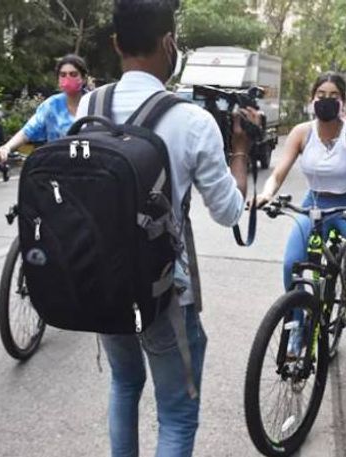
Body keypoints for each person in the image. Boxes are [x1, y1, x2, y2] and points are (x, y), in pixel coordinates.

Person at [75, 1, 255, 455]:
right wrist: (239, 152)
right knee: (176, 412)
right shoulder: (192, 121)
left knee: (124, 383)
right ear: (169, 43)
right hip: (164, 293)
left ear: (116, 43)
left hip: (102, 281)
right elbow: (229, 212)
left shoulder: (88, 108)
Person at [254, 72, 346, 313]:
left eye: (333, 96)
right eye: (321, 95)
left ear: (343, 102)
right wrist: (265, 194)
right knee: (290, 265)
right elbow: (277, 174)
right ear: (312, 99)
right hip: (314, 205)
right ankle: (297, 324)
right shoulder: (302, 133)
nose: (326, 100)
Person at [0, 54, 90, 181]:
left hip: (91, 172)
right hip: (58, 174)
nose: (67, 78)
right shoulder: (51, 105)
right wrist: (7, 147)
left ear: (83, 78)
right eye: (63, 75)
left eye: (73, 74)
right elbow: (28, 130)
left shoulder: (95, 102)